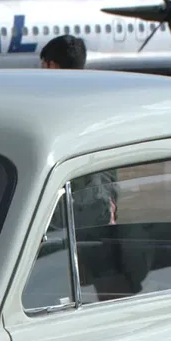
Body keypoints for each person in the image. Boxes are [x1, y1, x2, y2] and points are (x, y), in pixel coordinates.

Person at [39, 34, 116, 224]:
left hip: (71, 216)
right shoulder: (98, 106)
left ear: (52, 66)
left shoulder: (51, 110)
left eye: (43, 65)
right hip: (101, 210)